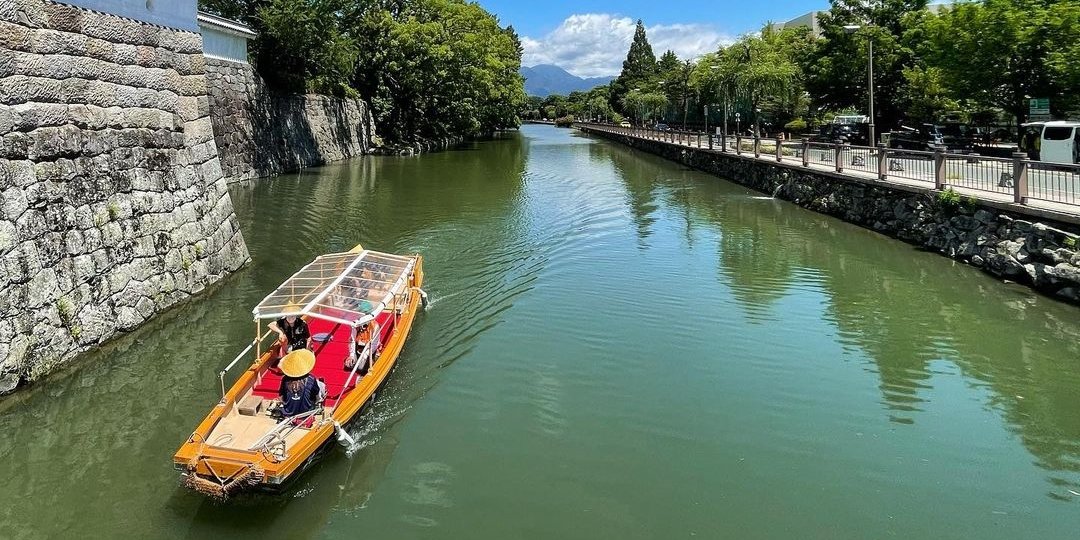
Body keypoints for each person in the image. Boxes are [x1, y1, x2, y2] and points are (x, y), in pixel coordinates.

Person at [276, 349, 324, 421]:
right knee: (321, 385)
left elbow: (281, 396)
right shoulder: (311, 378)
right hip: (305, 414)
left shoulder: (285, 379)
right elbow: (316, 394)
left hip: (288, 413)